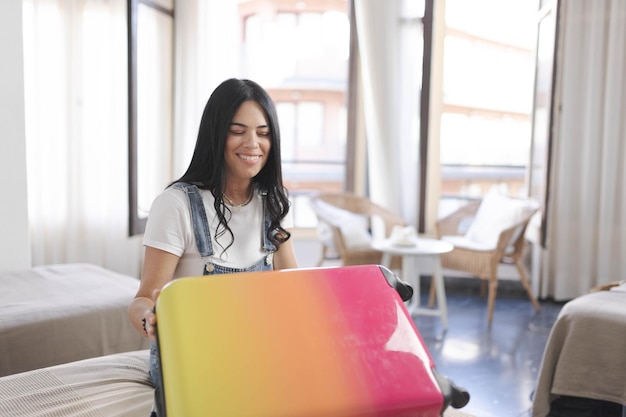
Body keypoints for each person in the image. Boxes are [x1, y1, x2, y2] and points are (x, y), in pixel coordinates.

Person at [128, 78, 299, 416]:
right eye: (238, 131)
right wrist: (150, 319)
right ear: (215, 134)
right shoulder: (176, 204)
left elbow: (294, 288)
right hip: (191, 355)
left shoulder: (275, 203)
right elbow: (144, 298)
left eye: (263, 133)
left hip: (256, 347)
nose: (253, 143)